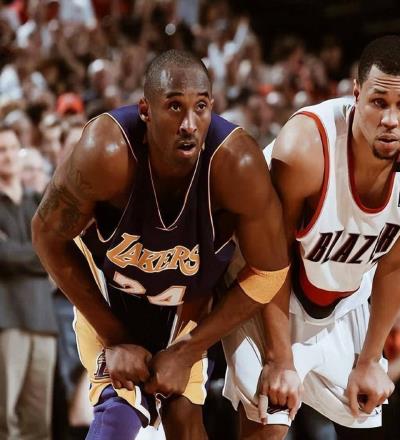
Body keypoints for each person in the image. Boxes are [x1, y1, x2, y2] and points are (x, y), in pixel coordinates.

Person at [31, 49, 289, 440]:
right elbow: (46, 235)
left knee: (185, 422)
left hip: (185, 310)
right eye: (174, 106)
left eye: (200, 107)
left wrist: (189, 350)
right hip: (110, 295)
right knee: (120, 408)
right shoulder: (107, 151)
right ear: (145, 111)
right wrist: (115, 337)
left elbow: (270, 272)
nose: (189, 124)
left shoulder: (237, 164)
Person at [223, 35, 400, 439]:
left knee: (364, 411)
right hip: (264, 280)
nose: (390, 119)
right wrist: (280, 358)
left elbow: (398, 262)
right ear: (356, 94)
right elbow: (271, 256)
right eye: (378, 102)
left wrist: (371, 358)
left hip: (340, 296)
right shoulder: (304, 146)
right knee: (269, 421)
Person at [0, 126, 58, 439]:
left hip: (43, 320)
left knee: (39, 422)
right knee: (4, 418)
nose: (7, 156)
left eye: (11, 148)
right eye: (1, 150)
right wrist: (39, 256)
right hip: (6, 320)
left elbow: (57, 251)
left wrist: (27, 254)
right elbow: (4, 256)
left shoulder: (37, 202)